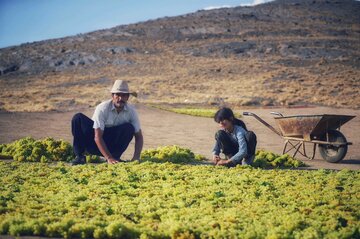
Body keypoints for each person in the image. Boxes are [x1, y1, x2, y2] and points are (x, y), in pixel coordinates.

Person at [71, 80, 143, 165]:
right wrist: (109, 158)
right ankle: (80, 156)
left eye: (124, 95)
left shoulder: (131, 111)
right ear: (112, 96)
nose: (120, 98)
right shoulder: (102, 108)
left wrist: (136, 157)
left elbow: (139, 137)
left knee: (129, 127)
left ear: (127, 97)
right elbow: (97, 136)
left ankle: (115, 157)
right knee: (78, 118)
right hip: (94, 143)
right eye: (118, 95)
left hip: (112, 145)